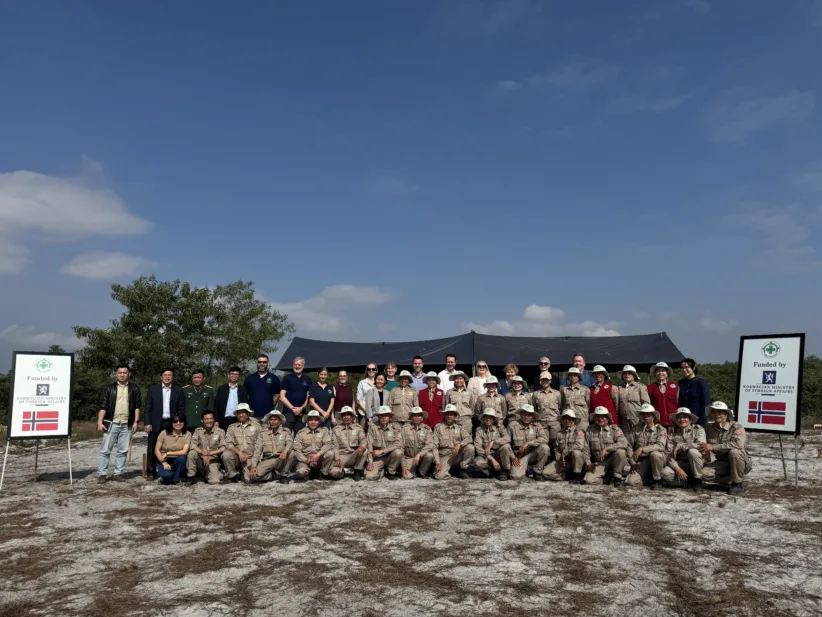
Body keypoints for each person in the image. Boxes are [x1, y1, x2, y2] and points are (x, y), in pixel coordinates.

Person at [96, 364, 141, 483]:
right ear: (116, 374)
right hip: (111, 423)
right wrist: (100, 422)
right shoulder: (109, 388)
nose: (122, 375)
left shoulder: (134, 388)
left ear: (129, 374)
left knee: (123, 450)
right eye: (120, 373)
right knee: (105, 450)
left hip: (127, 423)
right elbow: (103, 406)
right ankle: (102, 474)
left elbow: (137, 406)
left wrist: (136, 422)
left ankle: (118, 473)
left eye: (124, 373)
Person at [144, 368, 185, 482]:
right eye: (165, 375)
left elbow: (181, 407)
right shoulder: (153, 389)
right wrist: (147, 423)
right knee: (152, 447)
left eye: (169, 375)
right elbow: (148, 408)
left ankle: (172, 469)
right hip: (156, 422)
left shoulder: (178, 390)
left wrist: (179, 422)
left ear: (173, 377)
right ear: (161, 377)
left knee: (173, 446)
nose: (167, 377)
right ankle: (151, 472)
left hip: (171, 422)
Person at [701, 401, 752, 494]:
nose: (717, 415)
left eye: (720, 412)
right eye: (714, 412)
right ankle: (728, 479)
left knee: (734, 452)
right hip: (723, 462)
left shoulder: (736, 427)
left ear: (726, 414)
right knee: (703, 474)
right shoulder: (707, 429)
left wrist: (713, 447)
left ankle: (737, 483)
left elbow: (738, 444)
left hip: (740, 461)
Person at [626, 404, 670, 490]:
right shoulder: (635, 429)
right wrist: (632, 463)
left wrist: (642, 449)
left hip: (657, 460)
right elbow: (629, 446)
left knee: (655, 454)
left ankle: (657, 480)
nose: (646, 417)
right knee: (631, 482)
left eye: (648, 414)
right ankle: (647, 477)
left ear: (653, 416)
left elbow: (660, 446)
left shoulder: (661, 430)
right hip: (642, 461)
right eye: (643, 414)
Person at [661, 407, 706, 491]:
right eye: (679, 417)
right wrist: (677, 468)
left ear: (690, 419)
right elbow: (668, 452)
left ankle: (698, 480)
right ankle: (687, 481)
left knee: (692, 452)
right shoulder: (671, 432)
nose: (682, 419)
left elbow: (700, 445)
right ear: (676, 420)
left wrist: (681, 446)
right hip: (681, 462)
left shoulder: (698, 429)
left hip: (697, 462)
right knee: (664, 473)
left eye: (685, 417)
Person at [584, 407, 630, 487]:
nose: (600, 419)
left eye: (603, 416)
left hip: (613, 459)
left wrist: (607, 449)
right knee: (589, 481)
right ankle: (607, 478)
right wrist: (588, 463)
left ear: (608, 418)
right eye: (598, 416)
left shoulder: (615, 429)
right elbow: (586, 448)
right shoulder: (589, 430)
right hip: (600, 462)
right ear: (594, 418)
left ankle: (617, 477)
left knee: (621, 452)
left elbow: (623, 443)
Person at [544, 409, 589, 483]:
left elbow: (579, 445)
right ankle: (569, 476)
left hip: (576, 461)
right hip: (564, 461)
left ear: (574, 420)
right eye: (565, 418)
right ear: (562, 421)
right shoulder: (559, 433)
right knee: (546, 473)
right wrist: (560, 458)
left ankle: (578, 473)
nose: (567, 420)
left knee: (576, 452)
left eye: (569, 418)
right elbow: (557, 449)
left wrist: (564, 453)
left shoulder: (579, 432)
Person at [249, 410, 294, 484]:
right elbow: (257, 450)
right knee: (253, 476)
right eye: (271, 419)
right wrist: (253, 466)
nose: (273, 421)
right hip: (268, 459)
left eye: (275, 419)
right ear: (268, 421)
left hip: (281, 459)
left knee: (291, 453)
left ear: (280, 421)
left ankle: (284, 475)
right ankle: (272, 475)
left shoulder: (285, 432)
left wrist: (285, 451)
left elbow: (290, 443)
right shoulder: (263, 434)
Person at [507, 404, 549, 481]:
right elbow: (507, 444)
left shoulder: (537, 425)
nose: (526, 417)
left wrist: (528, 443)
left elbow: (544, 438)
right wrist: (513, 457)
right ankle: (524, 469)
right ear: (520, 414)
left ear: (533, 416)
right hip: (518, 456)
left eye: (529, 415)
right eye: (524, 415)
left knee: (545, 447)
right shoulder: (512, 426)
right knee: (515, 477)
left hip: (531, 454)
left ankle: (537, 471)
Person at [222, 403, 261, 483]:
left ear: (248, 414)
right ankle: (233, 475)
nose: (241, 415)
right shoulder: (232, 427)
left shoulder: (257, 426)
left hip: (250, 458)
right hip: (237, 457)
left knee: (250, 479)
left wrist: (254, 463)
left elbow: (259, 446)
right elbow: (228, 443)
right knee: (226, 455)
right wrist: (239, 453)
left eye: (243, 412)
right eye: (239, 413)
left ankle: (270, 474)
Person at [433, 405, 474, 479]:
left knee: (470, 448)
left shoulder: (459, 426)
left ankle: (462, 469)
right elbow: (434, 446)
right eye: (447, 414)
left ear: (455, 415)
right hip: (445, 456)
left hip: (457, 454)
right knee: (440, 476)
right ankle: (451, 470)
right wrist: (437, 462)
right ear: (444, 415)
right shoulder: (438, 427)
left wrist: (459, 445)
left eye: (451, 414)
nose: (449, 416)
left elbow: (469, 438)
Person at [185, 410, 225, 485]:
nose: (209, 421)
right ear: (202, 420)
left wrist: (209, 453)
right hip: (200, 459)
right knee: (192, 453)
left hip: (213, 460)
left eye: (211, 418)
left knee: (215, 481)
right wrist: (202, 452)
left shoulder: (220, 432)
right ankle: (191, 476)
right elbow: (193, 445)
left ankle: (216, 473)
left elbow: (223, 448)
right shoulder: (198, 431)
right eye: (206, 419)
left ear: (214, 419)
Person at [293, 410, 334, 481]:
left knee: (330, 453)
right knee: (301, 472)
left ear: (319, 422)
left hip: (320, 459)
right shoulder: (301, 433)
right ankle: (309, 473)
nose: (313, 422)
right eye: (311, 420)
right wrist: (307, 460)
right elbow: (297, 450)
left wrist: (317, 455)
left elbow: (328, 444)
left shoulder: (324, 431)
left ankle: (323, 472)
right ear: (307, 421)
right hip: (306, 460)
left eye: (315, 420)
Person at [473, 408, 514, 480]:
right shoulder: (479, 430)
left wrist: (493, 442)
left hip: (499, 453)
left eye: (490, 418)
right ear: (483, 418)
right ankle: (492, 470)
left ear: (494, 419)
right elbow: (478, 447)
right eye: (486, 417)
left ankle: (505, 470)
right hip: (487, 455)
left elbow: (508, 438)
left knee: (506, 446)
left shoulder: (499, 428)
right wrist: (492, 460)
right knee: (477, 463)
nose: (488, 420)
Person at [365, 406, 404, 481]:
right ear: (378, 417)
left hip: (390, 455)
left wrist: (382, 451)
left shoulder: (396, 427)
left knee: (398, 452)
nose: (384, 417)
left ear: (390, 417)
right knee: (369, 477)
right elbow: (369, 445)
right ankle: (382, 472)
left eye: (386, 415)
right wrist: (370, 462)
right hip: (378, 458)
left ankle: (391, 472)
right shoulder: (372, 427)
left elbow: (398, 444)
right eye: (381, 415)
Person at [329, 406, 367, 481]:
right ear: (341, 417)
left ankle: (357, 471)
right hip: (341, 456)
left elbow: (363, 440)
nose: (346, 417)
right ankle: (341, 472)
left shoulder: (358, 428)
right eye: (343, 415)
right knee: (334, 473)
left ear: (352, 416)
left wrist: (361, 447)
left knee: (365, 450)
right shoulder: (336, 429)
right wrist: (337, 458)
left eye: (348, 415)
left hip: (354, 455)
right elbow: (335, 446)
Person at [155, 413, 191, 485]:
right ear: (171, 422)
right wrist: (163, 462)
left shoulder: (187, 434)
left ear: (184, 422)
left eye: (181, 421)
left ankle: (175, 479)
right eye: (175, 421)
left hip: (178, 460)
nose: (178, 423)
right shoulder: (164, 433)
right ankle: (174, 477)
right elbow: (157, 450)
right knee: (167, 475)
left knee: (182, 458)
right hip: (164, 459)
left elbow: (184, 452)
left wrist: (168, 453)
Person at [400, 407, 435, 479]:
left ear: (422, 418)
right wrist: (404, 466)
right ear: (411, 417)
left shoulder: (427, 429)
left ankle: (422, 472)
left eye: (419, 415)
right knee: (407, 477)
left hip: (421, 457)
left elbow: (429, 445)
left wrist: (419, 455)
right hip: (409, 458)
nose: (417, 417)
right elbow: (400, 447)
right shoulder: (404, 429)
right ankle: (410, 470)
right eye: (414, 415)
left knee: (430, 455)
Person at [532, 371, 562, 456]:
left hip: (554, 422)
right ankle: (546, 462)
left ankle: (556, 462)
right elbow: (534, 408)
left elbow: (560, 406)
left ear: (550, 381)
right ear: (540, 381)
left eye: (547, 380)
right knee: (544, 443)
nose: (545, 382)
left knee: (556, 443)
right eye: (543, 380)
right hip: (542, 423)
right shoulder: (535, 394)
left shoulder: (557, 393)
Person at [243, 354, 281, 419]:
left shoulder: (274, 378)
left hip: (268, 416)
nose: (262, 364)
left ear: (268, 363)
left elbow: (277, 395)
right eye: (259, 362)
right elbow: (244, 394)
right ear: (256, 363)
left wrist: (269, 405)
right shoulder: (249, 378)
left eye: (264, 362)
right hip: (252, 415)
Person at [281, 357, 313, 432]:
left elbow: (308, 397)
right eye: (295, 364)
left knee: (299, 437)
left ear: (303, 366)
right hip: (288, 412)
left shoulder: (307, 379)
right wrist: (292, 408)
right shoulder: (287, 378)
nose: (297, 366)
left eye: (299, 364)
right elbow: (282, 396)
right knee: (286, 436)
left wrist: (301, 408)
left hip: (301, 413)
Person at [616, 365, 650, 435]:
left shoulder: (640, 386)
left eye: (629, 373)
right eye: (625, 373)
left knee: (639, 437)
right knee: (626, 439)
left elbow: (646, 404)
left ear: (634, 375)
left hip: (637, 419)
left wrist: (645, 417)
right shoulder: (619, 388)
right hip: (624, 420)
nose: (627, 375)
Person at [678, 358, 711, 425]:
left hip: (697, 420)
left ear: (693, 368)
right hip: (682, 420)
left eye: (687, 367)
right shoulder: (680, 383)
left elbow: (705, 403)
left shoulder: (701, 383)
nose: (684, 370)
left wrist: (703, 422)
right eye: (682, 368)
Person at [647, 362, 678, 428]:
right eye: (658, 371)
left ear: (667, 373)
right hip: (657, 422)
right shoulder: (649, 387)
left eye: (663, 371)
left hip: (674, 422)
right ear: (655, 374)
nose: (661, 373)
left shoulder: (676, 386)